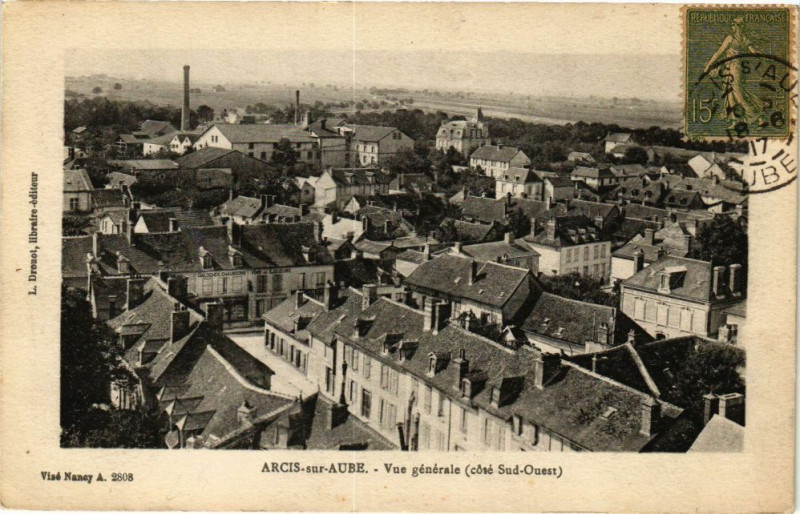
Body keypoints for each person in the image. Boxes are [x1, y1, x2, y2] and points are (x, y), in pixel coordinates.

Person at [703, 17, 767, 128]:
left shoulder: (731, 38)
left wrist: (709, 64)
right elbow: (754, 52)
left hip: (735, 67)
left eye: (733, 25)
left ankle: (757, 115)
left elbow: (719, 53)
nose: (732, 27)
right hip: (729, 67)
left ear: (739, 26)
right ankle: (735, 121)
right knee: (729, 93)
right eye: (732, 25)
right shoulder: (743, 39)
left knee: (738, 92)